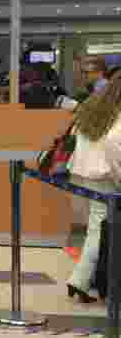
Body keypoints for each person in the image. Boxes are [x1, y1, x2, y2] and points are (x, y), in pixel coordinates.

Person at [64, 74, 121, 302]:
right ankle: (80, 280)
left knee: (95, 228)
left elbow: (77, 136)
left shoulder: (95, 106)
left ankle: (83, 281)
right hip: (106, 176)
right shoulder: (116, 113)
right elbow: (114, 147)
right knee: (100, 229)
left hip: (86, 173)